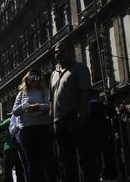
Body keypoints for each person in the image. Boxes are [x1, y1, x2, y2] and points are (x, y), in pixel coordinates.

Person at [50, 42, 95, 182]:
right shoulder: (53, 74)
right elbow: (51, 98)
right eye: (56, 52)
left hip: (74, 116)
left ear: (70, 51)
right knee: (65, 158)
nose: (58, 54)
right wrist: (51, 118)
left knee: (84, 155)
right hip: (58, 121)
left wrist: (83, 111)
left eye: (61, 51)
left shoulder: (79, 68)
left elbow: (85, 91)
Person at [12, 69, 55, 182]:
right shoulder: (21, 93)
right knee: (32, 163)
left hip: (42, 127)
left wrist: (37, 106)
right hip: (26, 130)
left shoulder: (44, 91)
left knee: (47, 160)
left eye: (35, 78)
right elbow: (15, 111)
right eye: (30, 79)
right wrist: (25, 106)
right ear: (26, 80)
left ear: (39, 79)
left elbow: (49, 106)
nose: (33, 81)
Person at [0, 117, 24, 182]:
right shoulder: (22, 118)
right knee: (20, 170)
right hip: (19, 148)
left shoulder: (9, 120)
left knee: (7, 171)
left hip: (9, 149)